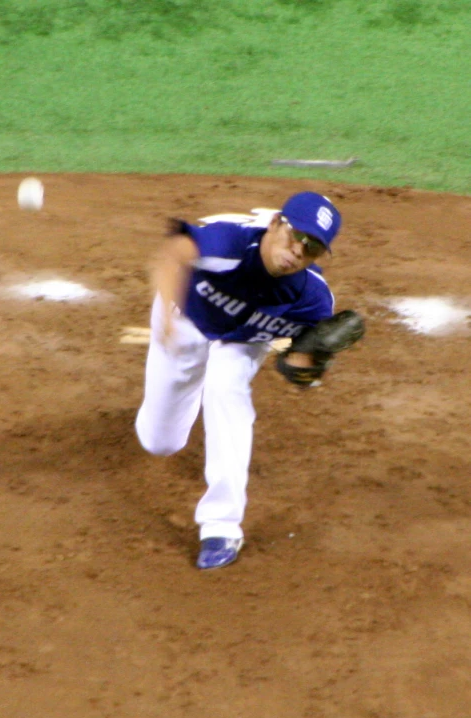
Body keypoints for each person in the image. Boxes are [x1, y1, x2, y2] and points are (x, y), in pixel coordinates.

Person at [135, 191, 345, 570]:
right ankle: (181, 392)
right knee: (160, 442)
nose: (300, 250)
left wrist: (306, 366)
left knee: (226, 388)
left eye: (312, 247)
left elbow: (304, 359)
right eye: (296, 235)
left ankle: (222, 526)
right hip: (186, 316)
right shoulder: (228, 243)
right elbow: (173, 253)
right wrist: (165, 320)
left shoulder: (313, 298)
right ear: (277, 223)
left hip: (243, 340)